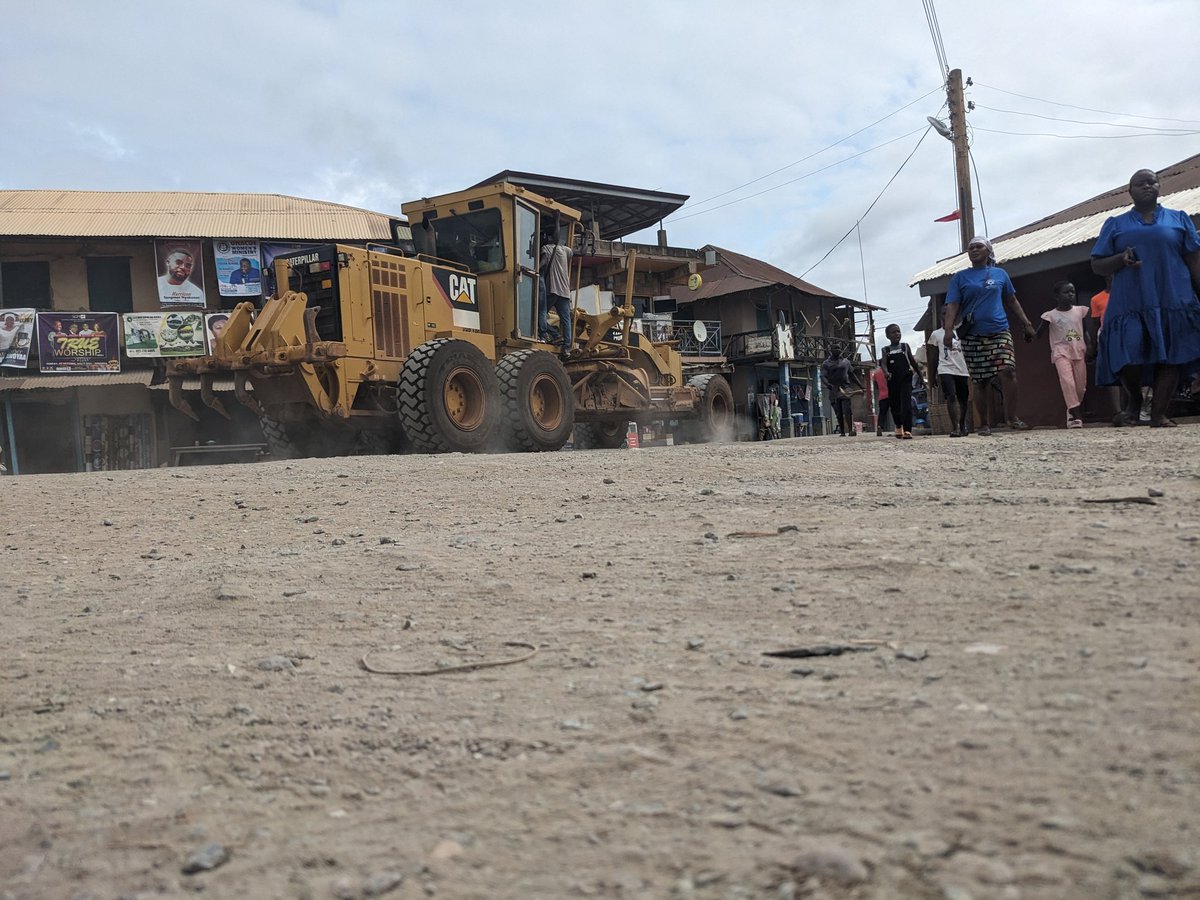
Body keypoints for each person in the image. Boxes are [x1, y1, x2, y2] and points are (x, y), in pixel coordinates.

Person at [1091, 168, 1200, 428]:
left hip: (1174, 297)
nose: (1148, 186)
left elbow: (1194, 260)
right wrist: (1120, 259)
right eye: (1140, 183)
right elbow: (1097, 265)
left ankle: (1159, 413)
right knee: (1127, 352)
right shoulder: (1115, 224)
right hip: (1130, 300)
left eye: (1152, 182)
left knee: (1172, 354)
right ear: (1130, 191)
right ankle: (1135, 403)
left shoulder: (1179, 219)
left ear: (1160, 187)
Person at [942, 235, 1037, 435]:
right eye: (971, 248)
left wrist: (1027, 323)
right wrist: (948, 330)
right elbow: (953, 305)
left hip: (999, 330)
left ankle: (1012, 417)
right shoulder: (960, 278)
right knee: (980, 380)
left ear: (988, 251)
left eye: (978, 247)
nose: (974, 250)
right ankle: (984, 423)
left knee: (1008, 372)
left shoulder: (1000, 274)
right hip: (972, 335)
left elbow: (1012, 300)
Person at [1034, 281, 1090, 428]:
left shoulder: (1080, 311)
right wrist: (1029, 333)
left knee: (1080, 387)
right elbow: (1039, 333)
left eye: (1072, 291)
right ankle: (1077, 416)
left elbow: (1085, 331)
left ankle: (1071, 411)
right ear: (1057, 296)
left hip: (1078, 351)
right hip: (1061, 352)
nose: (1071, 295)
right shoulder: (1050, 315)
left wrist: (1090, 346)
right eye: (1066, 292)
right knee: (1067, 382)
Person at [880, 324, 924, 439]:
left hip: (905, 378)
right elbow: (884, 364)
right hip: (892, 379)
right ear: (887, 336)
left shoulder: (905, 347)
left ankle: (908, 430)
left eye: (898, 332)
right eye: (893, 332)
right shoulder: (886, 350)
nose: (897, 334)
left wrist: (921, 378)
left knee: (906, 404)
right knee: (894, 403)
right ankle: (898, 426)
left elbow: (913, 363)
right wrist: (886, 372)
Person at [927, 324, 970, 437]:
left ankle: (962, 424)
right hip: (945, 369)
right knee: (951, 395)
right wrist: (932, 376)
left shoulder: (961, 331)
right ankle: (955, 427)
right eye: (943, 313)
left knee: (963, 398)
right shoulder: (936, 334)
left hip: (961, 369)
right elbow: (934, 356)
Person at [540, 229, 573, 359]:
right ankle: (566, 348)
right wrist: (587, 238)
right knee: (566, 320)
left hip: (553, 290)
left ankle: (551, 334)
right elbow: (581, 252)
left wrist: (534, 268)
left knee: (540, 315)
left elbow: (543, 262)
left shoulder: (547, 248)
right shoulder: (566, 250)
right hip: (565, 292)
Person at [820, 345, 863, 436]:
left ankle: (851, 430)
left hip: (845, 388)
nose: (838, 350)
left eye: (839, 348)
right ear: (830, 350)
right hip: (834, 388)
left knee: (847, 409)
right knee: (838, 412)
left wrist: (861, 386)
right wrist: (828, 385)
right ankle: (842, 431)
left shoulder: (846, 362)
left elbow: (852, 375)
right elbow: (823, 376)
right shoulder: (826, 364)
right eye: (835, 348)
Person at [871, 363, 891, 436]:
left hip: (882, 396)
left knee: (882, 413)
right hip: (892, 394)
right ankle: (899, 426)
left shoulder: (876, 373)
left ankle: (880, 426)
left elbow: (876, 386)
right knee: (896, 411)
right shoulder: (889, 371)